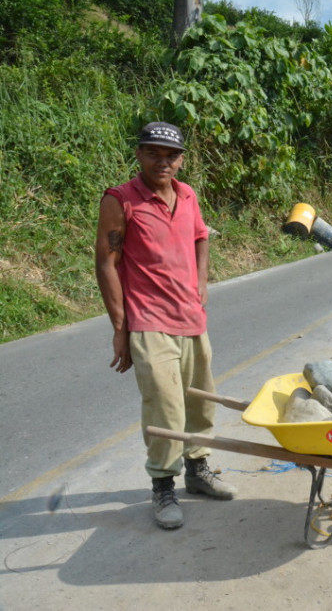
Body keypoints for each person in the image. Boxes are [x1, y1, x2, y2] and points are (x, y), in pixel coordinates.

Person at [95, 121, 236, 530]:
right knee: (165, 406)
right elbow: (106, 262)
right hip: (149, 321)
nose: (163, 161)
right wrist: (120, 328)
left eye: (171, 154)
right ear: (139, 154)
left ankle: (197, 469)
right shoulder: (120, 200)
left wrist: (202, 281)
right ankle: (162, 485)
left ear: (182, 159)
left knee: (200, 402)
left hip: (191, 318)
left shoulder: (187, 194)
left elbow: (201, 237)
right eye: (153, 152)